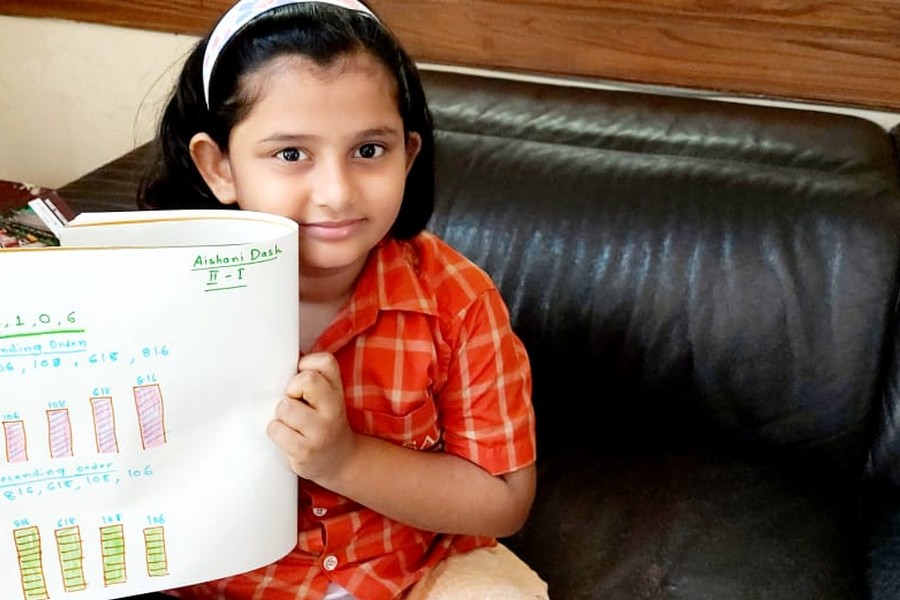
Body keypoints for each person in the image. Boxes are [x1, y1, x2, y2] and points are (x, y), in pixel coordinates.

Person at [133, 0, 548, 598]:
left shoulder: (457, 300)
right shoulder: (152, 293)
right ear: (219, 166)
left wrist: (344, 460)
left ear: (409, 154)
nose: (336, 193)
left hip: (415, 571)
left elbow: (503, 499)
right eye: (291, 154)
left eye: (369, 150)